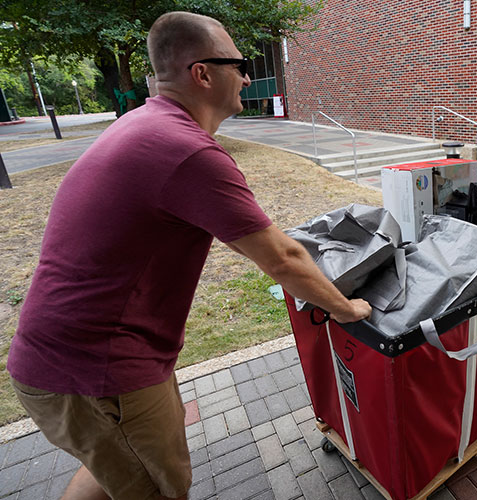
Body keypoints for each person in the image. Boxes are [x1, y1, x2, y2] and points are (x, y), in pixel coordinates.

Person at [6, 11, 371, 500]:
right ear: (202, 73)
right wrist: (346, 308)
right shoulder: (186, 151)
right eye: (238, 64)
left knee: (114, 463)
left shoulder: (147, 125)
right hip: (99, 371)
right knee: (160, 485)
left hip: (71, 364)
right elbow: (281, 258)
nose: (246, 75)